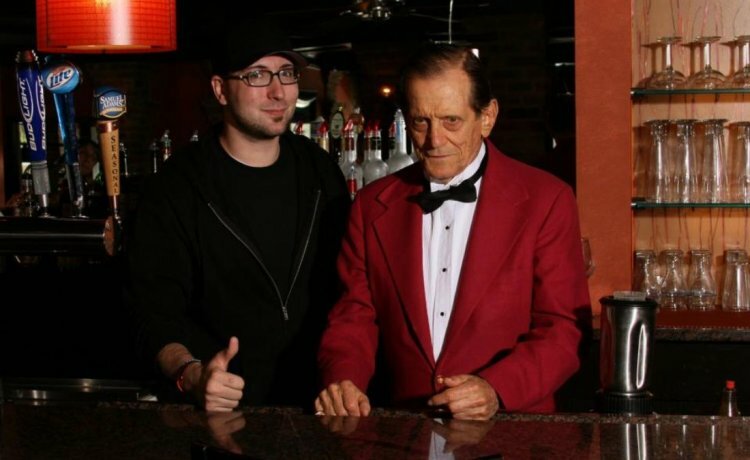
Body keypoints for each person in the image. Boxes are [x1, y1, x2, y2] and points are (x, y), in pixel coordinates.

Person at [315, 44, 591, 419]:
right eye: (420, 122)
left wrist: (497, 389)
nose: (434, 140)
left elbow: (563, 329)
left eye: (451, 121)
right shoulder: (371, 205)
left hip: (512, 428)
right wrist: (344, 380)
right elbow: (354, 315)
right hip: (406, 428)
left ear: (487, 117)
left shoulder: (547, 199)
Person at [126, 17, 349, 412]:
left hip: (317, 407)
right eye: (257, 75)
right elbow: (153, 314)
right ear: (220, 90)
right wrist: (192, 375)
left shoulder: (320, 171)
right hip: (226, 412)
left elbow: (350, 289)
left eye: (286, 73)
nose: (278, 91)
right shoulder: (178, 186)